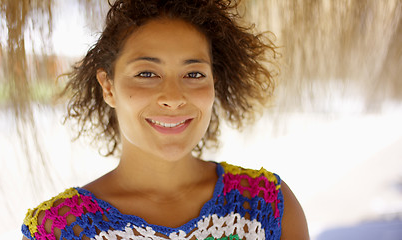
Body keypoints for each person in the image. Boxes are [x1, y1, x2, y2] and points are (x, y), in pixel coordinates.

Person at [21, 0, 309, 239]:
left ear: (213, 84)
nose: (173, 96)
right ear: (108, 87)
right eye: (147, 74)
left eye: (194, 74)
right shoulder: (58, 229)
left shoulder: (267, 206)